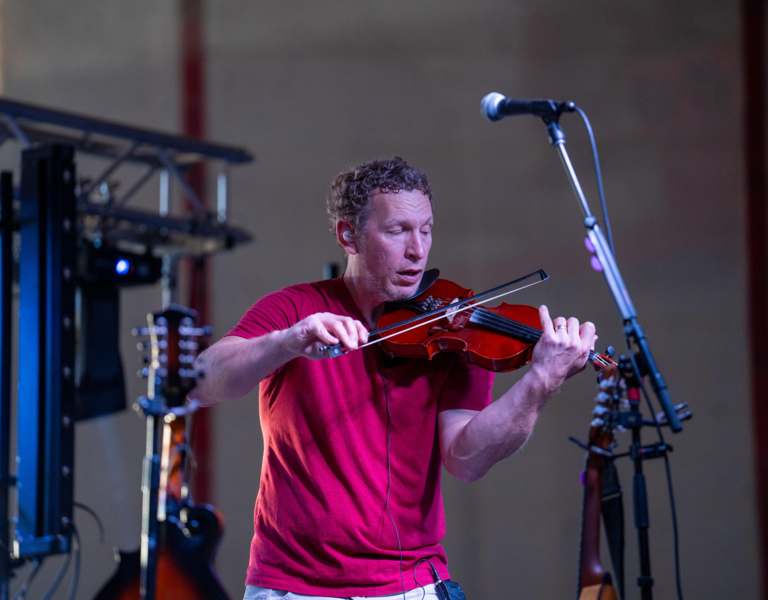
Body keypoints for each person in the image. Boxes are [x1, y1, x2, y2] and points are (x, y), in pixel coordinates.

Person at [190, 157, 596, 600]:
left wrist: (540, 382)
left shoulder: (454, 330)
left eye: (426, 230)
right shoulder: (295, 309)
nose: (418, 250)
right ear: (349, 235)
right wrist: (288, 341)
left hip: (412, 585)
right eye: (398, 230)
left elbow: (467, 460)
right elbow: (203, 381)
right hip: (293, 587)